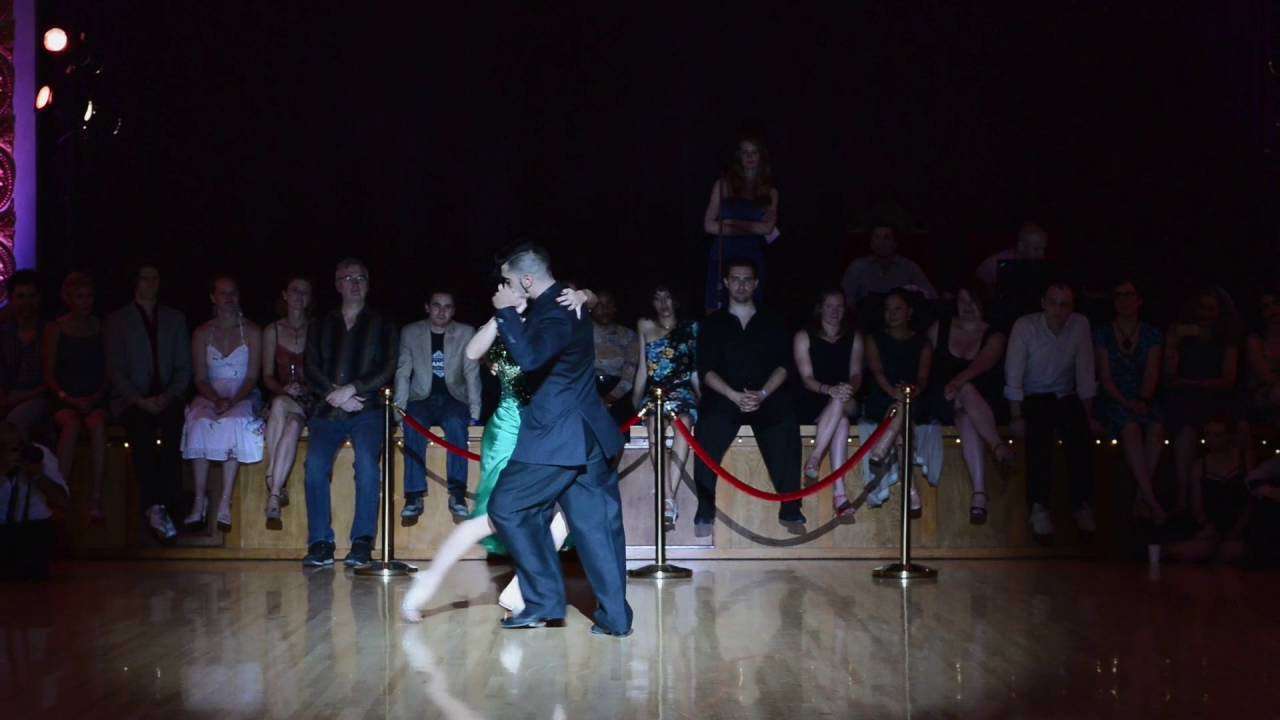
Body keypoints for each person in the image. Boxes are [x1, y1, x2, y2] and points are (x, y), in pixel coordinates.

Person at [401, 285, 593, 622]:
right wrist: (499, 315)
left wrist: (582, 295)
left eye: (522, 291)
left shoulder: (544, 324)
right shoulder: (499, 327)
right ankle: (428, 581)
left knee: (564, 517)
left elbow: (587, 300)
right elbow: (472, 353)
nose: (518, 296)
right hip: (507, 430)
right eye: (510, 292)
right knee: (493, 518)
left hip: (543, 431)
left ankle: (520, 591)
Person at [485, 243, 632, 637]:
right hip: (587, 434)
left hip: (556, 436)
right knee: (597, 528)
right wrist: (587, 293)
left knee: (508, 507)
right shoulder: (568, 298)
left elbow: (531, 358)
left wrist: (503, 310)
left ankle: (543, 601)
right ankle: (616, 618)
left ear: (528, 280)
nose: (505, 287)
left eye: (509, 281)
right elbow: (581, 300)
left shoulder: (553, 311)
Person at [694, 258, 805, 537]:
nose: (741, 284)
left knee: (786, 424)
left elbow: (784, 365)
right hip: (725, 395)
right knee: (707, 428)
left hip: (765, 395)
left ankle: (791, 510)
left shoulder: (773, 321)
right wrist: (733, 395)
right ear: (726, 283)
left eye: (747, 279)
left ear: (755, 284)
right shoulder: (712, 323)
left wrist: (763, 393)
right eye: (736, 279)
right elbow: (705, 370)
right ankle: (705, 510)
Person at [301, 258, 397, 569]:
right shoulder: (320, 324)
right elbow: (310, 367)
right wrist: (336, 395)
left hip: (366, 409)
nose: (355, 283)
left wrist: (353, 388)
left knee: (367, 465)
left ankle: (362, 542)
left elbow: (387, 368)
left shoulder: (382, 324)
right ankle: (320, 543)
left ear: (368, 284)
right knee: (314, 465)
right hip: (328, 410)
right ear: (337, 284)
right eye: (348, 278)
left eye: (361, 278)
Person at [1004, 282, 1099, 541]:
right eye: (1053, 303)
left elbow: (1085, 372)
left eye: (1064, 304)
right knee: (1039, 439)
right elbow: (1014, 373)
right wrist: (1016, 415)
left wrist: (1088, 414)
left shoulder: (1079, 325)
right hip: (1034, 396)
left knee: (1080, 438)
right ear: (1043, 303)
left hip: (1066, 396)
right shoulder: (1025, 326)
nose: (1058, 309)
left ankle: (1082, 505)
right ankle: (1039, 507)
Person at [105, 264, 192, 542]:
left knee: (173, 430)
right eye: (145, 278)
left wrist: (168, 396)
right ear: (136, 282)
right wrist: (139, 400)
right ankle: (154, 506)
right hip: (132, 399)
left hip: (167, 397)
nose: (151, 283)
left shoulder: (174, 318)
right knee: (141, 433)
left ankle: (169, 504)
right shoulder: (118, 320)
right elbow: (116, 369)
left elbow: (184, 367)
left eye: (155, 278)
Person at [180, 276, 264, 532]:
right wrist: (215, 398)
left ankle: (225, 501)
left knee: (234, 422)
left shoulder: (251, 331)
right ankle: (199, 501)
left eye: (233, 293)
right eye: (223, 293)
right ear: (212, 298)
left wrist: (232, 401)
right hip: (211, 391)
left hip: (242, 392)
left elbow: (252, 375)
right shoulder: (202, 333)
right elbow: (200, 377)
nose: (229, 298)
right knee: (198, 422)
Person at [394, 289, 481, 521]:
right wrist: (399, 411)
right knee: (413, 423)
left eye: (448, 306)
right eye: (436, 305)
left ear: (453, 310)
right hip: (421, 398)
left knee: (455, 423)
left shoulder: (465, 332)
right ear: (427, 307)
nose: (442, 311)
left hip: (454, 398)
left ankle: (457, 493)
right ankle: (414, 496)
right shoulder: (411, 333)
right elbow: (403, 372)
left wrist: (475, 413)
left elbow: (472, 374)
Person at [926, 287, 1010, 524]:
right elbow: (923, 361)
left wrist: (957, 383)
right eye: (962, 301)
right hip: (942, 398)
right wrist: (949, 386)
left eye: (972, 301)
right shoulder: (939, 328)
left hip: (981, 403)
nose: (967, 307)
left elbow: (982, 364)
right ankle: (997, 447)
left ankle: (979, 494)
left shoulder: (994, 334)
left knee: (966, 413)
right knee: (964, 391)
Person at [1094, 278, 1166, 526]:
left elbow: (1152, 371)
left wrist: (1143, 399)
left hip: (1143, 397)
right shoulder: (1103, 333)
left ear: (1139, 300)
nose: (1124, 300)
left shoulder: (1152, 333)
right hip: (1114, 398)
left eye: (1129, 294)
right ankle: (1151, 501)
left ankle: (1140, 498)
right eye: (1119, 295)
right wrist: (1125, 402)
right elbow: (1104, 376)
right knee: (1131, 428)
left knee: (1156, 428)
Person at [1164, 287, 1240, 513]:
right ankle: (1183, 497)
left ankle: (1229, 493)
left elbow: (1228, 379)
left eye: (1211, 308)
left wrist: (1197, 384)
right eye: (1201, 307)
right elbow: (1170, 376)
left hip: (1216, 397)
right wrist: (1177, 341)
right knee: (1185, 429)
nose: (1205, 313)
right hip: (1185, 396)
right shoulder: (1182, 334)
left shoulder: (1227, 338)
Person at [632, 284, 701, 528]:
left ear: (677, 300)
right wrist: (635, 401)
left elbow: (693, 369)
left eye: (668, 297)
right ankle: (669, 496)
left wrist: (703, 398)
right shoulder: (644, 325)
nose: (663, 303)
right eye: (658, 298)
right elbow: (642, 368)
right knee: (654, 427)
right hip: (655, 392)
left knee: (684, 423)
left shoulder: (691, 327)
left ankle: (667, 498)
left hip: (682, 391)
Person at [42, 273, 108, 522]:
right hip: (64, 397)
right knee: (70, 425)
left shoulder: (101, 326)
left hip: (94, 397)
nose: (86, 302)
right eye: (80, 297)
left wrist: (96, 396)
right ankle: (61, 491)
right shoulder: (56, 328)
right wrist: (67, 397)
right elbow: (48, 373)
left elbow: (108, 370)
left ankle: (96, 497)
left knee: (97, 425)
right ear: (69, 299)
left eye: (89, 296)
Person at [793, 289, 863, 518]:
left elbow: (856, 373)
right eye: (830, 306)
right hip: (815, 398)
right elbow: (806, 378)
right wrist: (829, 389)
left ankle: (815, 458)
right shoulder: (804, 335)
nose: (835, 311)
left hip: (847, 396)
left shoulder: (854, 336)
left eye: (839, 306)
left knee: (842, 405)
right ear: (820, 308)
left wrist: (845, 389)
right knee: (841, 422)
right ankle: (840, 495)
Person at [861, 289, 932, 512]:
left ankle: (883, 447)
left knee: (905, 408)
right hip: (882, 396)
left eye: (897, 309)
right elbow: (877, 370)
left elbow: (922, 377)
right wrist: (893, 391)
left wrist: (912, 390)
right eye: (888, 309)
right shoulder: (874, 339)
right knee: (902, 412)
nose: (891, 314)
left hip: (913, 398)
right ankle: (910, 489)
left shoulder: (922, 342)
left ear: (909, 312)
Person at [703, 131, 778, 312]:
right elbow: (709, 225)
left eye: (754, 152)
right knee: (718, 310)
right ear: (739, 156)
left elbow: (768, 228)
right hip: (724, 254)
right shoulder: (723, 185)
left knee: (751, 310)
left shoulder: (770, 191)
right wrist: (752, 228)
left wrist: (730, 222)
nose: (750, 157)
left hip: (752, 255)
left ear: (761, 156)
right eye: (745, 152)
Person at [1163, 416, 1253, 563]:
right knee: (1197, 550)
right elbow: (1197, 505)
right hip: (1211, 526)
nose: (1211, 440)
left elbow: (1250, 499)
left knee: (1232, 552)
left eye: (1217, 435)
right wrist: (1206, 525)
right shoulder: (1200, 465)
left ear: (1228, 436)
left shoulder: (1243, 459)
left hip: (1239, 524)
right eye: (1208, 434)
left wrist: (1238, 529)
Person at [261, 275, 312, 522]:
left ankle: (272, 480)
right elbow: (267, 376)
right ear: (285, 294)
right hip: (285, 398)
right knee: (288, 418)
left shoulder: (315, 328)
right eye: (294, 291)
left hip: (311, 399)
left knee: (282, 408)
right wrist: (283, 390)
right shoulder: (273, 330)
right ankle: (274, 494)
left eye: (304, 292)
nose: (299, 296)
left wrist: (306, 388)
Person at [0, 422, 67, 580]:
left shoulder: (37, 454)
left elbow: (62, 500)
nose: (13, 451)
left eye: (16, 445)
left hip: (33, 528)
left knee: (31, 575)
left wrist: (38, 476)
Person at [0, 270, 49, 437]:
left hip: (41, 397)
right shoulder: (5, 334)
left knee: (16, 421)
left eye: (31, 295)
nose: (26, 302)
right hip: (9, 395)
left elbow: (54, 379)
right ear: (11, 299)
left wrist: (17, 399)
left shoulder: (50, 331)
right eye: (20, 296)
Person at [840, 224, 936, 306]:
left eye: (887, 237)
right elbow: (843, 299)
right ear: (871, 243)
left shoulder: (909, 267)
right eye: (877, 237)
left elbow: (931, 296)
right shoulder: (858, 267)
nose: (881, 242)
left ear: (895, 243)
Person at [590, 290, 639, 427]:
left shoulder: (628, 336)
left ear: (615, 307)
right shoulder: (580, 334)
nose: (604, 309)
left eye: (608, 304)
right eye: (599, 305)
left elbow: (629, 378)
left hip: (618, 393)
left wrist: (608, 400)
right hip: (587, 389)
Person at [975, 223, 1049, 292]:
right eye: (1036, 249)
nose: (1042, 254)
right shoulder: (992, 265)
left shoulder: (1039, 266)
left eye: (1043, 249)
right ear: (1021, 246)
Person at [1244, 289, 1280, 424]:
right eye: (1266, 306)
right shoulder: (1256, 339)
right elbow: (1264, 375)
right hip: (1264, 389)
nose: (1272, 309)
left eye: (1275, 303)